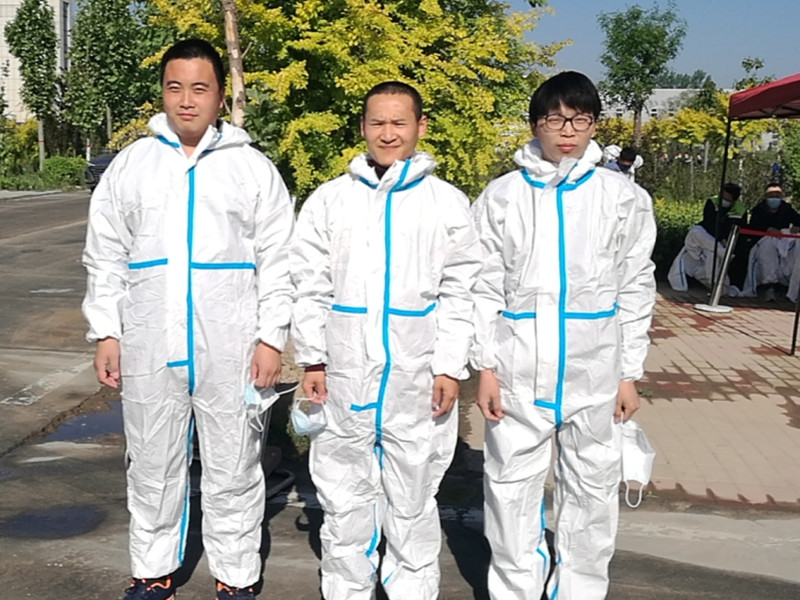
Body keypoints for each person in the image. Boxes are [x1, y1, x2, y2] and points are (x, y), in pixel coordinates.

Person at [82, 39, 294, 600]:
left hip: (231, 344)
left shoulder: (251, 168)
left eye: (200, 88)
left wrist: (271, 338)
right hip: (150, 343)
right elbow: (105, 253)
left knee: (234, 463)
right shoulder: (133, 165)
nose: (186, 100)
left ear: (220, 96)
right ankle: (153, 571)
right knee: (151, 461)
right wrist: (107, 331)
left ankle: (236, 575)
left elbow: (279, 259)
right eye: (175, 87)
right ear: (163, 93)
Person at [290, 81, 482, 600]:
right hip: (344, 379)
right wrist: (312, 358)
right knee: (343, 500)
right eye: (377, 122)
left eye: (400, 122)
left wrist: (449, 367)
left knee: (413, 502)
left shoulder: (446, 203)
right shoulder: (331, 201)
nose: (388, 133)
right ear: (362, 127)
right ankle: (346, 590)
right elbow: (308, 284)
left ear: (420, 127)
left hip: (416, 382)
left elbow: (461, 292)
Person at [470, 71, 656, 600]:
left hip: (593, 370)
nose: (567, 131)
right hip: (517, 370)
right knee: (509, 492)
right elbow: (482, 284)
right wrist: (485, 367)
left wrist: (628, 373)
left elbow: (636, 285)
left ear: (594, 125)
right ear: (536, 124)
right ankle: (515, 590)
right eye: (555, 119)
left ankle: (579, 590)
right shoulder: (503, 196)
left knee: (592, 492)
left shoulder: (621, 197)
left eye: (580, 119)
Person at [668, 182, 743, 293]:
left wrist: (724, 239)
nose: (723, 201)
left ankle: (718, 287)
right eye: (723, 197)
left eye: (727, 199)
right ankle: (722, 252)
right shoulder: (712, 202)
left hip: (723, 242)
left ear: (734, 200)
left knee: (712, 255)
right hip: (706, 236)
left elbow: (739, 228)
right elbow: (709, 223)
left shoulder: (740, 209)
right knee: (695, 231)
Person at [742, 182, 800, 301]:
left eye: (777, 195)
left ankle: (792, 288)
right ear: (766, 196)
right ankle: (769, 286)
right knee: (768, 251)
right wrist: (767, 229)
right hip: (764, 242)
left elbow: (798, 220)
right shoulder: (759, 210)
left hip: (783, 242)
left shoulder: (786, 209)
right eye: (771, 195)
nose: (774, 198)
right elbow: (753, 227)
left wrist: (797, 227)